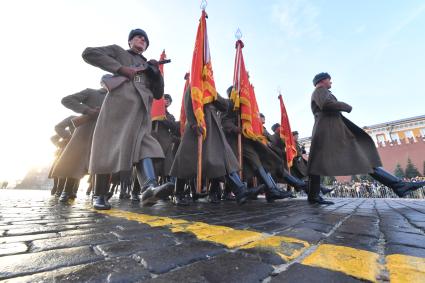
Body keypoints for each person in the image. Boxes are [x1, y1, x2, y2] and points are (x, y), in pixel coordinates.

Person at [82, 28, 172, 210]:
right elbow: (89, 53)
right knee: (107, 146)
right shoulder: (118, 52)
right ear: (130, 41)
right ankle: (99, 194)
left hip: (141, 110)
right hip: (119, 104)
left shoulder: (148, 65)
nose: (142, 40)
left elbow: (158, 94)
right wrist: (120, 68)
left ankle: (149, 189)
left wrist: (157, 75)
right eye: (138, 37)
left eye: (145, 40)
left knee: (144, 144)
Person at [307, 72, 425, 204]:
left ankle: (313, 196)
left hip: (328, 133)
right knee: (362, 159)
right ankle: (399, 185)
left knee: (316, 164)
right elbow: (326, 105)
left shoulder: (321, 91)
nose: (331, 82)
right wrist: (345, 106)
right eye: (329, 80)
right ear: (322, 81)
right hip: (330, 133)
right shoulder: (320, 90)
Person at [52, 78, 107, 202]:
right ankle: (66, 191)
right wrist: (87, 110)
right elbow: (67, 100)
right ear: (103, 82)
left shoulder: (117, 98)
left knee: (103, 164)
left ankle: (99, 194)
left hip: (104, 133)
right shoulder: (91, 92)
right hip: (85, 133)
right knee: (75, 163)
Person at [152, 94, 180, 184]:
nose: (167, 101)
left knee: (166, 168)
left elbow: (173, 126)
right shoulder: (152, 111)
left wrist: (162, 119)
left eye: (169, 100)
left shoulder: (170, 116)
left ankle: (165, 189)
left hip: (166, 144)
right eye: (165, 99)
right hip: (153, 141)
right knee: (152, 167)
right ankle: (136, 191)